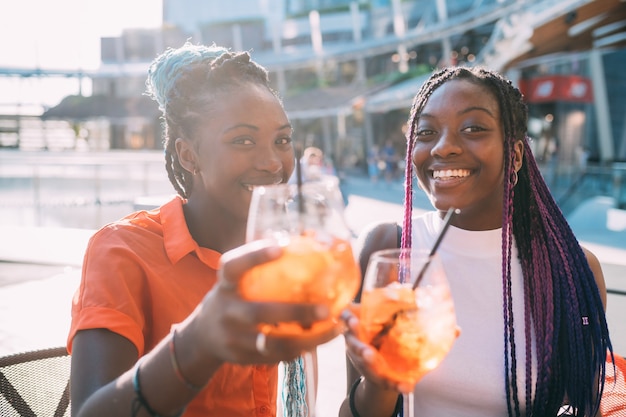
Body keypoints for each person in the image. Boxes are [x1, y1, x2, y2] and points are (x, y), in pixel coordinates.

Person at [67, 42, 342, 417]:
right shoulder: (122, 250)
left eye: (282, 140)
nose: (272, 163)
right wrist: (201, 339)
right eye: (243, 140)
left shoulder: (282, 255)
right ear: (187, 154)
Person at [340, 66, 613, 417]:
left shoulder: (571, 270)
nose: (443, 147)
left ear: (514, 155)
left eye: (473, 128)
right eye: (426, 132)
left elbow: (587, 405)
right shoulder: (385, 250)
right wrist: (380, 381)